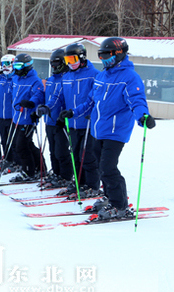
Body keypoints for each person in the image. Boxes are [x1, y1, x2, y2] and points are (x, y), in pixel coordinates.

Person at [67, 37, 156, 220]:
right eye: (100, 55)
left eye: (106, 55)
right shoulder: (102, 75)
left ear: (119, 54)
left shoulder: (130, 77)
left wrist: (143, 117)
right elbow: (91, 101)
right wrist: (73, 112)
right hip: (98, 130)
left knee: (108, 167)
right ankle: (110, 197)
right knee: (101, 167)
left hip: (116, 131)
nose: (103, 59)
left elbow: (136, 100)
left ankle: (120, 205)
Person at [48, 43, 101, 196]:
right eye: (67, 60)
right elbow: (58, 96)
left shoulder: (94, 75)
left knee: (88, 158)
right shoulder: (67, 76)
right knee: (75, 157)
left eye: (73, 59)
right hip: (72, 123)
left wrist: (93, 112)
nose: (70, 63)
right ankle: (79, 183)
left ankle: (93, 186)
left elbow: (94, 99)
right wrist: (47, 107)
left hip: (88, 123)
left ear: (82, 57)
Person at [36, 49, 73, 187]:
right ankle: (57, 174)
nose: (54, 67)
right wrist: (40, 107)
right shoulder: (50, 80)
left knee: (61, 151)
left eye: (56, 63)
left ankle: (66, 176)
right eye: (52, 64)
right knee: (52, 151)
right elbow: (46, 98)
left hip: (61, 121)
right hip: (49, 121)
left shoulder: (67, 79)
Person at [9, 54, 45, 182]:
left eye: (18, 66)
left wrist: (31, 103)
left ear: (27, 66)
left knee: (22, 146)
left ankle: (28, 171)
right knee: (26, 144)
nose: (16, 69)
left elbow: (39, 94)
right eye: (15, 66)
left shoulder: (35, 80)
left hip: (28, 118)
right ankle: (40, 168)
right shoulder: (16, 79)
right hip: (17, 117)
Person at [0, 54, 17, 172]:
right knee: (3, 140)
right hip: (0, 115)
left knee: (13, 141)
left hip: (11, 116)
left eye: (8, 64)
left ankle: (15, 161)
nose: (5, 67)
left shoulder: (15, 79)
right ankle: (7, 159)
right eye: (3, 64)